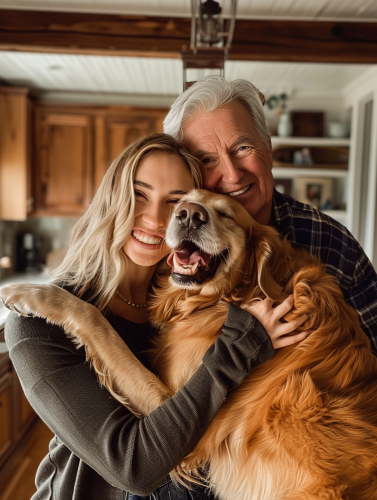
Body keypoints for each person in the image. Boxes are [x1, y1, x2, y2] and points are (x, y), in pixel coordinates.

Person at [3, 134, 308, 500]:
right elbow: (135, 467)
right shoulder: (37, 322)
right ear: (113, 197)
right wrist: (79, 316)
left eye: (177, 202)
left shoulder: (182, 306)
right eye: (139, 194)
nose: (154, 219)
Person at [163, 76, 377, 351]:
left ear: (268, 149)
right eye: (206, 159)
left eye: (242, 148)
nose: (232, 174)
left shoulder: (333, 242)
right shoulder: (170, 240)